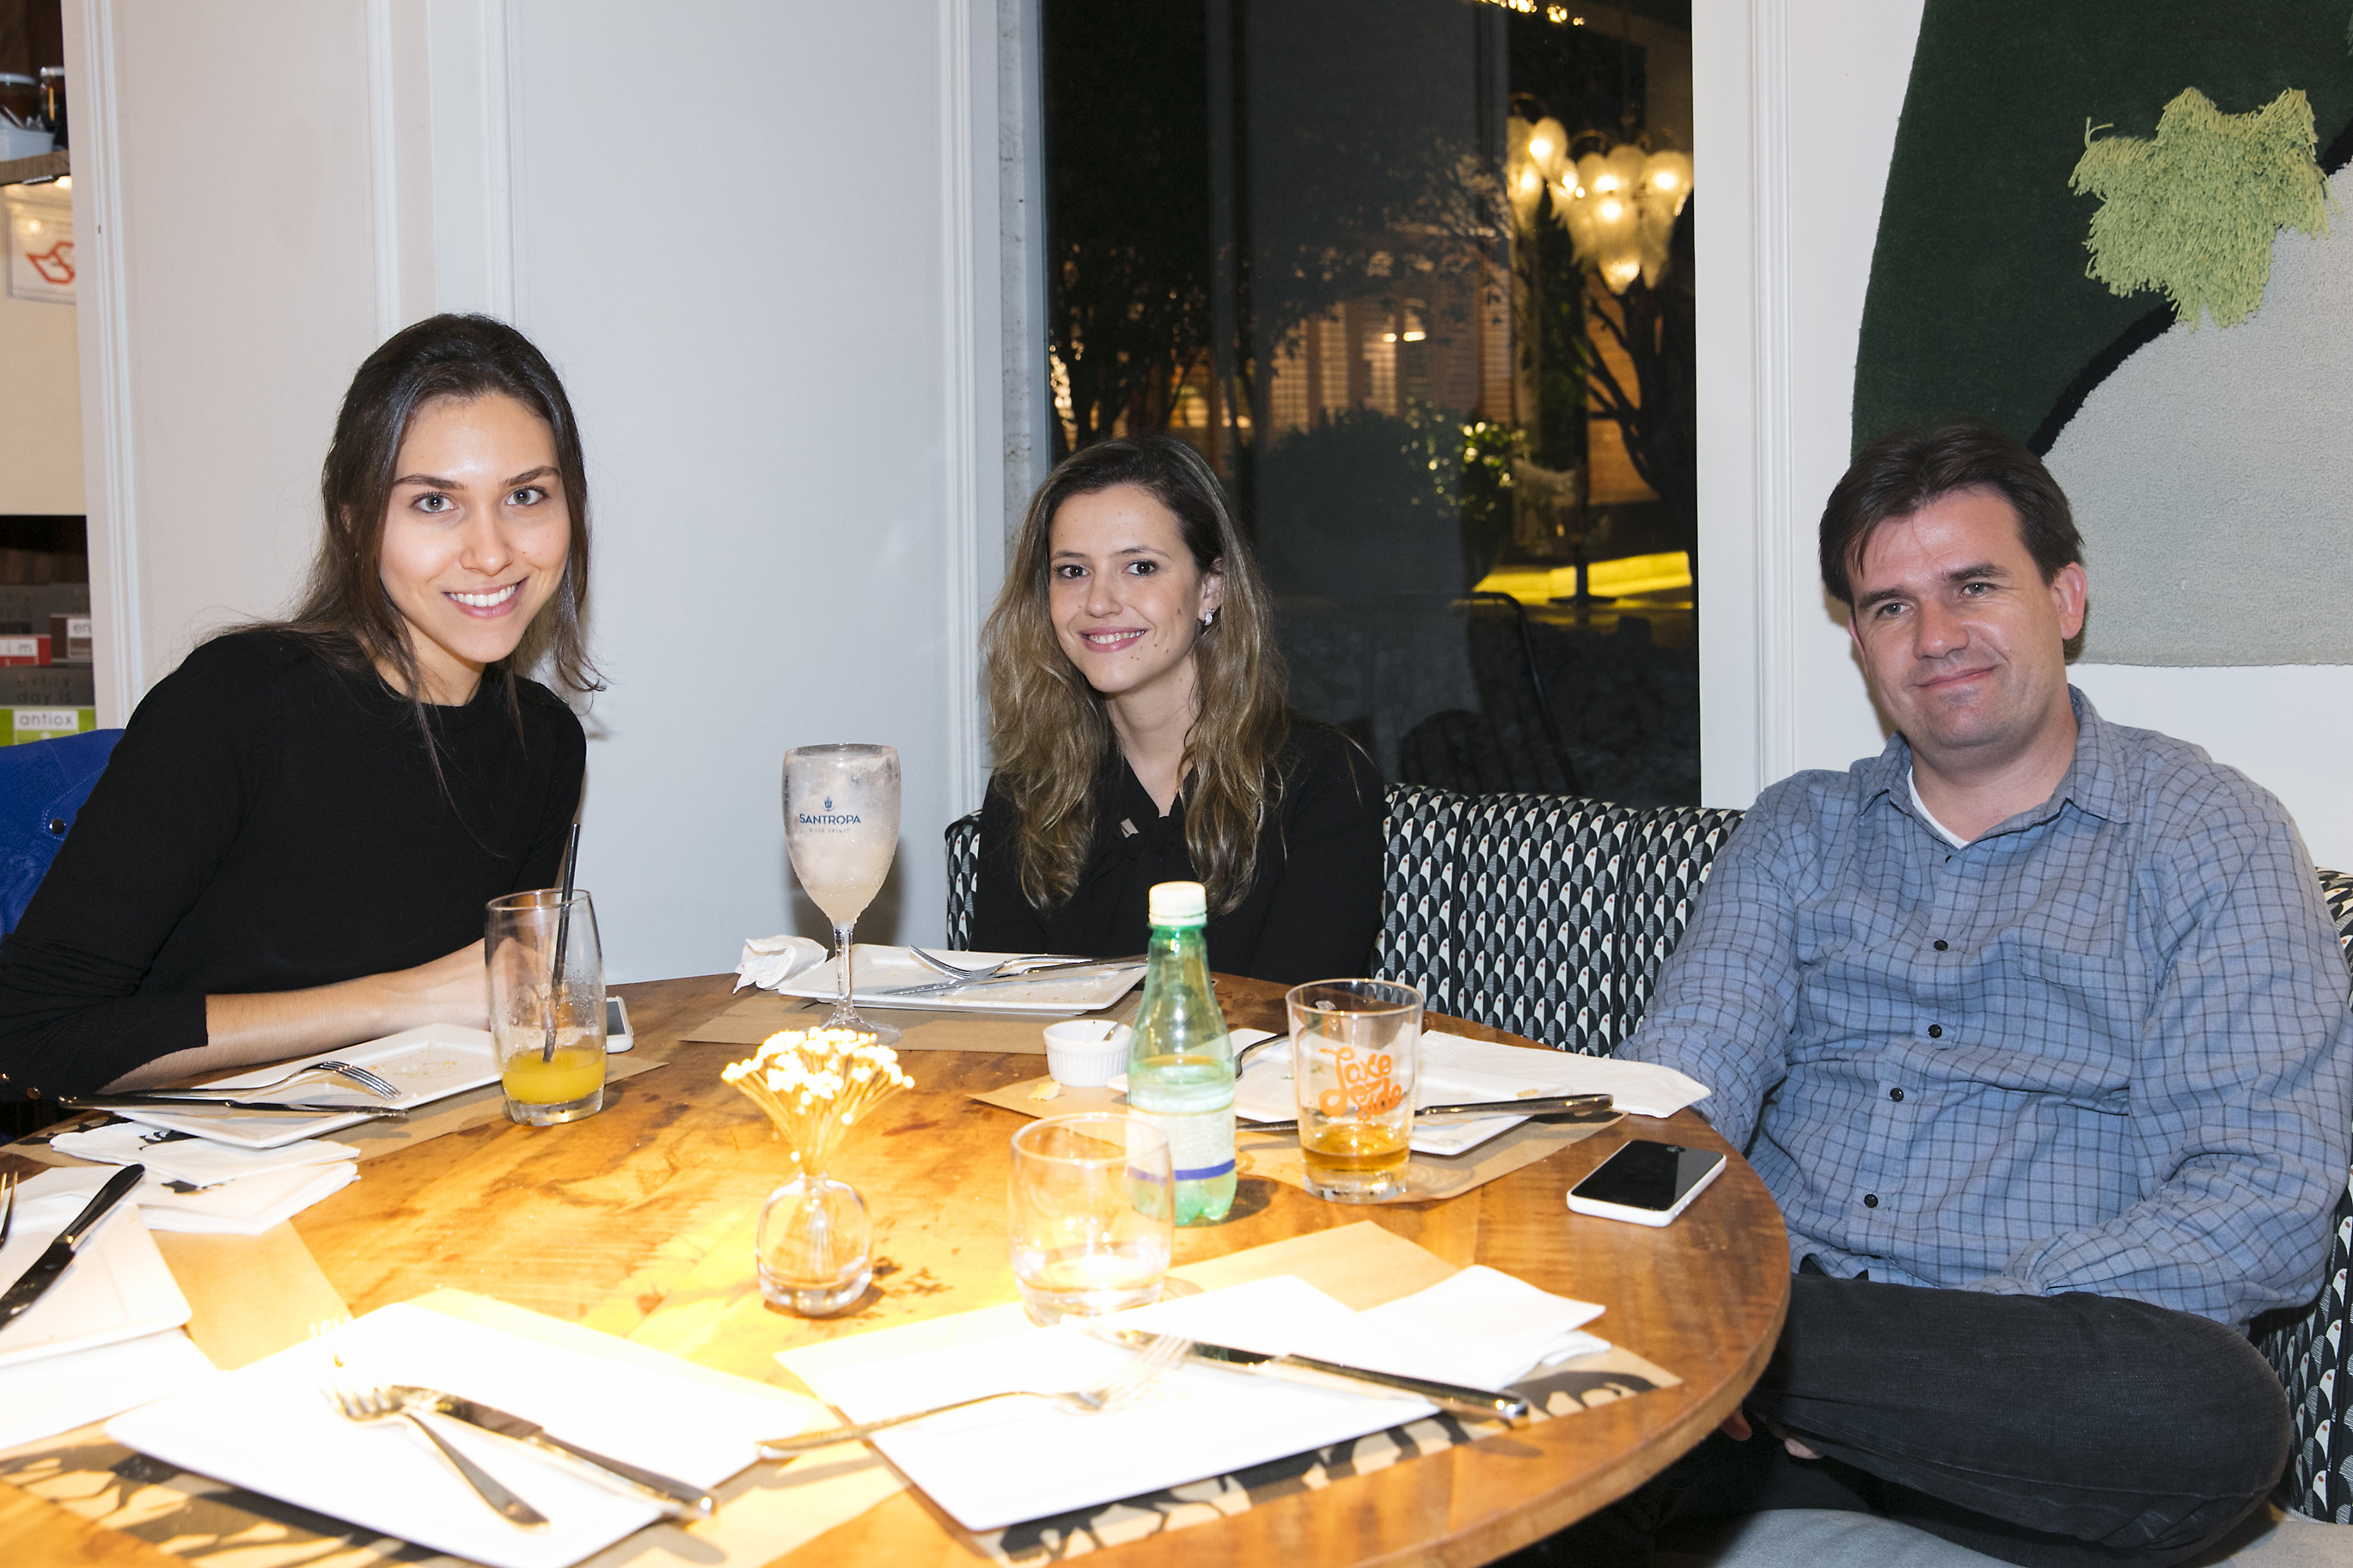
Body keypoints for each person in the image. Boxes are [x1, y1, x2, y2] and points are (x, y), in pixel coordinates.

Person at [1534, 424, 2353, 1568]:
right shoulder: (1797, 831)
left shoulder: (2206, 834)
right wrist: (1595, 1252)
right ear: (1858, 641)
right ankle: (1739, 1363)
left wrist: (1948, 1330)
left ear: (2062, 597)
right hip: (1754, 1392)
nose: (1934, 638)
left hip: (2026, 1394)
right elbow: (1680, 1087)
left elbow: (2259, 1195)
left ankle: (1764, 1360)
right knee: (1511, 1433)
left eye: (1973, 586)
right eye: (1888, 606)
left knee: (2215, 1408)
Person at [0, 314, 594, 1107]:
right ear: (354, 521)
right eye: (433, 504)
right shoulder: (236, 704)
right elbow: (30, 1037)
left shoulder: (544, 742)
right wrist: (404, 998)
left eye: (526, 495)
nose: (491, 552)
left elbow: (489, 1028)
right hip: (165, 1186)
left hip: (388, 1168)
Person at [972, 435, 1383, 985]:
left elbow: (1290, 1029)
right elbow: (998, 1017)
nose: (1098, 601)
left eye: (1139, 567)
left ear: (1210, 588)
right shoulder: (1025, 792)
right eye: (1072, 570)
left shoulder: (1321, 781)